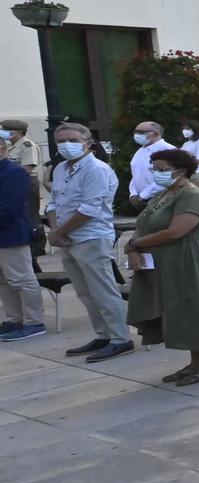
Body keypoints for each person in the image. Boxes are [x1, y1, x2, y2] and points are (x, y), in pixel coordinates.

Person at [125, 148, 199, 385]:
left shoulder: (193, 196)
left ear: (181, 171)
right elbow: (146, 221)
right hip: (164, 262)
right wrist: (135, 247)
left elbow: (176, 231)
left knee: (195, 307)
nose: (156, 173)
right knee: (179, 309)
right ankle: (195, 362)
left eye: (162, 170)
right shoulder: (166, 193)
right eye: (155, 169)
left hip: (188, 260)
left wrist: (135, 244)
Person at [45, 123, 132, 362]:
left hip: (91, 237)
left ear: (88, 142)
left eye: (72, 139)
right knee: (85, 292)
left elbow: (89, 210)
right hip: (67, 238)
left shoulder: (97, 169)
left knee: (103, 290)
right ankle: (103, 334)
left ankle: (120, 338)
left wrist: (58, 232)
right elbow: (53, 202)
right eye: (61, 141)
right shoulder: (61, 168)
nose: (66, 145)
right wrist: (55, 231)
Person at [0, 146, 43, 343]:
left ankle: (34, 321)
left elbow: (11, 206)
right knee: (4, 280)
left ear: (3, 149)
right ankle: (13, 320)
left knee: (21, 278)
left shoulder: (14, 172)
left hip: (10, 233)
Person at [126, 121, 171, 208]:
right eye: (135, 132)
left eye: (141, 132)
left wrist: (143, 196)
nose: (137, 135)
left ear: (155, 133)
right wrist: (133, 194)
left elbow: (166, 178)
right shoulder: (140, 151)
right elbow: (135, 174)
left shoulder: (167, 150)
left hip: (161, 199)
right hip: (141, 200)